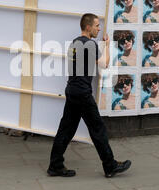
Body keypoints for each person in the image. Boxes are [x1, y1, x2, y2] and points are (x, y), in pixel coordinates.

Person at [48, 13, 131, 178]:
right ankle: (110, 165)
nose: (99, 28)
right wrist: (107, 45)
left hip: (72, 90)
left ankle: (55, 165)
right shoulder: (90, 44)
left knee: (66, 129)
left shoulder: (74, 43)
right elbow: (104, 64)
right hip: (82, 93)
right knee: (97, 128)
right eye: (97, 25)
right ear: (88, 27)